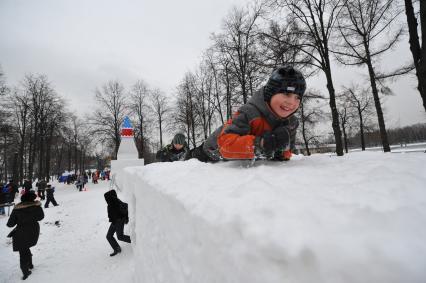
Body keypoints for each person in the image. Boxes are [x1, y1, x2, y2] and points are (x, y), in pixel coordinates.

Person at [186, 66, 306, 162]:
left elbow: (286, 152)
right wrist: (262, 144)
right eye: (286, 94)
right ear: (271, 93)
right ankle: (185, 156)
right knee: (190, 160)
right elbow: (225, 144)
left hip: (240, 157)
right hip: (211, 150)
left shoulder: (291, 122)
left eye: (297, 97)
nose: (291, 102)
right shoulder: (250, 113)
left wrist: (281, 151)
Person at [6, 191, 44, 280]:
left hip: (21, 232)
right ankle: (30, 265)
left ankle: (25, 273)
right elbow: (41, 217)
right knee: (25, 247)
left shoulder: (17, 208)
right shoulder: (37, 206)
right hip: (33, 231)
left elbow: (10, 224)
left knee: (23, 251)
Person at [104, 189, 131, 256]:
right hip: (114, 221)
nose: (106, 200)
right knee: (109, 236)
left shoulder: (115, 203)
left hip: (118, 221)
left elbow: (125, 207)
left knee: (120, 236)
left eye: (106, 198)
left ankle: (135, 241)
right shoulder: (112, 203)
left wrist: (125, 218)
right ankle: (117, 248)